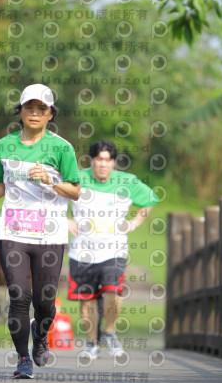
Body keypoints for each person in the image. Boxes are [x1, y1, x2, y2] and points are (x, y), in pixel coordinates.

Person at [0, 84, 80, 379]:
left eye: (42, 109)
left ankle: (40, 336)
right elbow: (0, 187)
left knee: (45, 300)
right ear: (20, 111)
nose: (35, 113)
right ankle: (22, 358)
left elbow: (76, 192)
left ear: (51, 114)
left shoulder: (62, 148)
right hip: (13, 231)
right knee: (19, 296)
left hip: (50, 235)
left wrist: (49, 180)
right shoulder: (3, 146)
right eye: (29, 107)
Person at [67, 139, 158, 359]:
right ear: (92, 161)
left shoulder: (127, 182)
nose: (103, 164)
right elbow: (51, 198)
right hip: (82, 250)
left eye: (108, 160)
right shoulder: (76, 178)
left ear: (114, 163)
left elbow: (150, 199)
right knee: (87, 299)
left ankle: (109, 332)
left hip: (114, 250)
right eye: (99, 159)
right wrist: (65, 220)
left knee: (112, 291)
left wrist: (134, 223)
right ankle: (92, 344)